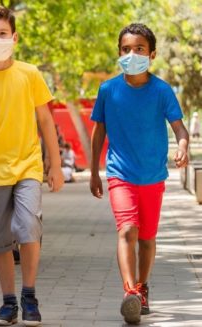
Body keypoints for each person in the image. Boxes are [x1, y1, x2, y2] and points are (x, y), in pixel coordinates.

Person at [0, 6, 64, 327]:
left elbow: (46, 120)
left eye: (3, 34)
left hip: (28, 166)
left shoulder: (30, 74)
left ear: (14, 37)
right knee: (1, 239)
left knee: (29, 227)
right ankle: (8, 303)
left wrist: (54, 164)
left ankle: (29, 294)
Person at [89, 23, 189, 325]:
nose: (132, 54)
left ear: (152, 54)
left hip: (153, 175)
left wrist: (183, 146)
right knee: (127, 231)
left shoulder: (161, 90)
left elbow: (179, 127)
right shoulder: (108, 90)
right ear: (119, 53)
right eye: (126, 49)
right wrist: (94, 172)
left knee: (146, 238)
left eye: (139, 49)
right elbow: (99, 131)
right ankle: (129, 292)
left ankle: (143, 288)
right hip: (119, 173)